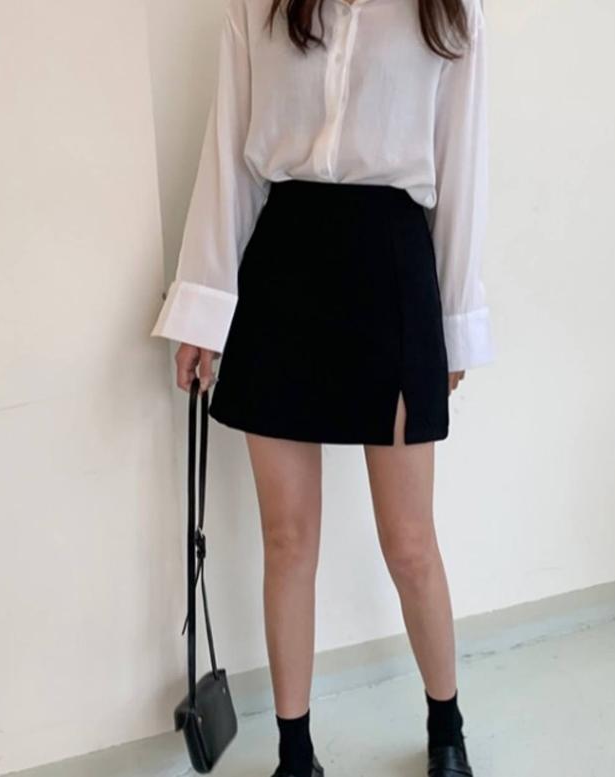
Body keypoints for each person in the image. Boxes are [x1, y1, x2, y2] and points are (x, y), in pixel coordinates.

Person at [150, 0, 495, 775]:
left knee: (410, 542)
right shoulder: (261, 6)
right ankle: (295, 753)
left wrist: (455, 320)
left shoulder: (449, 11)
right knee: (287, 538)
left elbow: (462, 164)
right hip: (283, 271)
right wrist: (204, 310)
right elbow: (231, 160)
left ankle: (447, 728)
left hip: (393, 271)